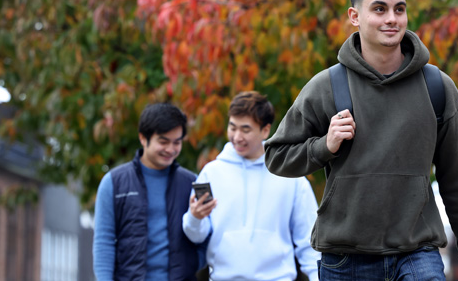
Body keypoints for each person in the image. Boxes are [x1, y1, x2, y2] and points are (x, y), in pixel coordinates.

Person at [265, 0, 458, 281]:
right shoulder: (327, 87)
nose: (392, 19)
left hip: (417, 254)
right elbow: (277, 156)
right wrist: (325, 146)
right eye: (379, 9)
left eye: (399, 9)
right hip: (345, 260)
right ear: (355, 16)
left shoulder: (437, 88)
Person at [183, 91, 320, 281]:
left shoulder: (289, 175)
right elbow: (196, 237)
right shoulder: (211, 173)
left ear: (265, 130)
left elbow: (309, 239)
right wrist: (194, 218)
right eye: (232, 127)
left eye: (245, 130)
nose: (237, 136)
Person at [93, 103, 203, 280]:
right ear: (143, 138)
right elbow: (104, 241)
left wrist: (190, 266)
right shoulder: (114, 182)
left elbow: (206, 234)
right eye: (163, 141)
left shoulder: (194, 183)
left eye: (177, 142)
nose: (171, 149)